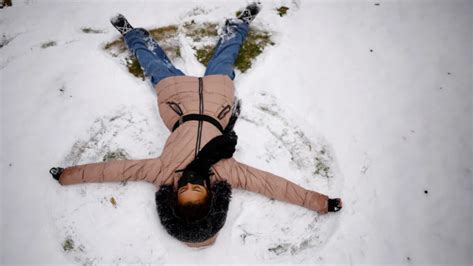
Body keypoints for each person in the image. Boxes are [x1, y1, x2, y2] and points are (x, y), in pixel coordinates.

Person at [49, 2, 343, 248]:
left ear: (174, 195)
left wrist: (67, 175)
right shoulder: (228, 173)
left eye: (183, 189)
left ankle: (133, 35)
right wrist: (319, 202)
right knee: (226, 56)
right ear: (210, 195)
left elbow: (113, 170)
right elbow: (272, 185)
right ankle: (238, 25)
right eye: (197, 189)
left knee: (152, 63)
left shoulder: (161, 172)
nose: (190, 182)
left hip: (176, 102)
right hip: (217, 103)